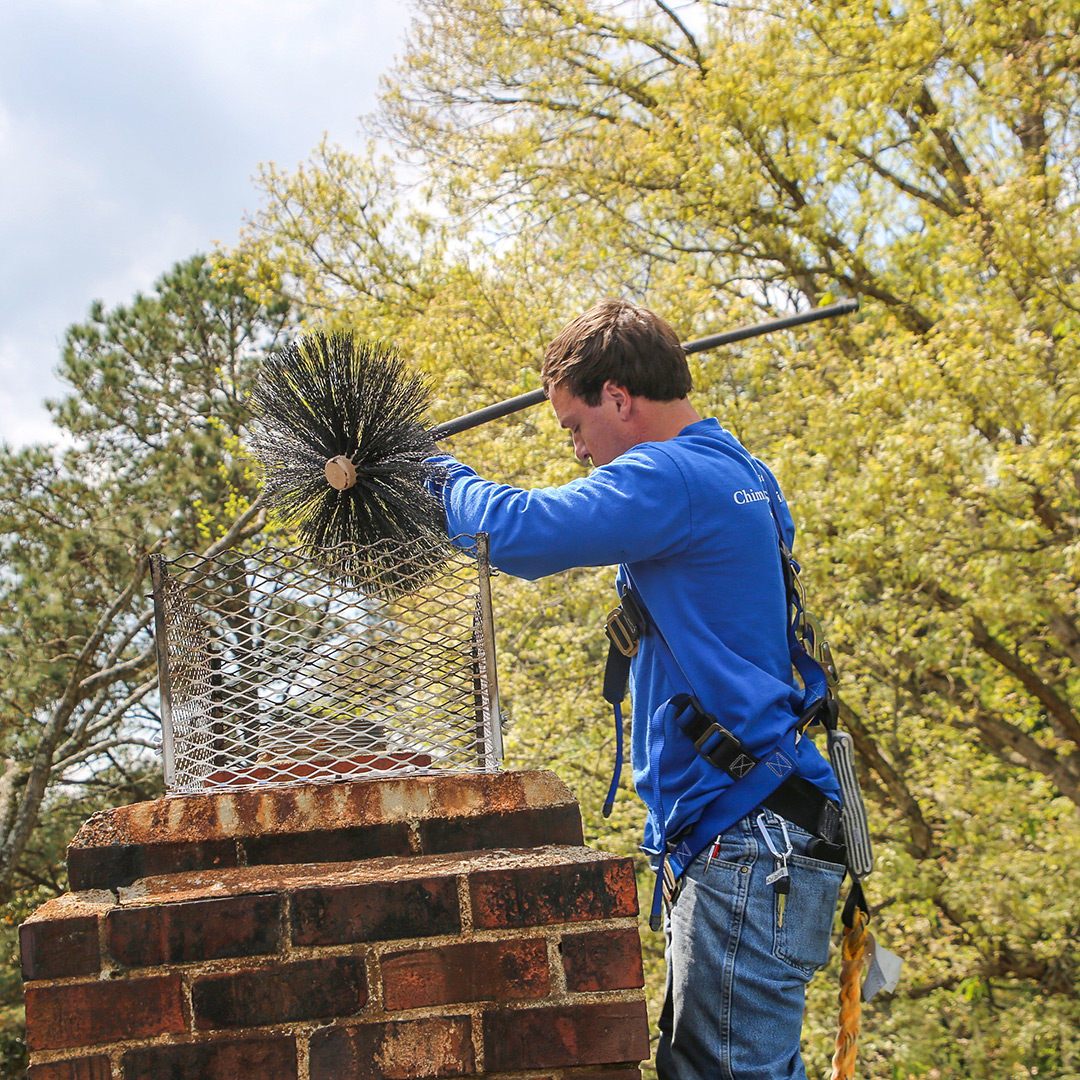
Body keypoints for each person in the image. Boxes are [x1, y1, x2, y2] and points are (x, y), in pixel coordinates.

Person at [426, 299, 846, 1080]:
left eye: (574, 427)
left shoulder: (673, 476)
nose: (580, 450)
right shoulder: (740, 468)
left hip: (747, 837)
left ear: (618, 397)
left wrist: (434, 475)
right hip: (766, 832)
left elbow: (520, 532)